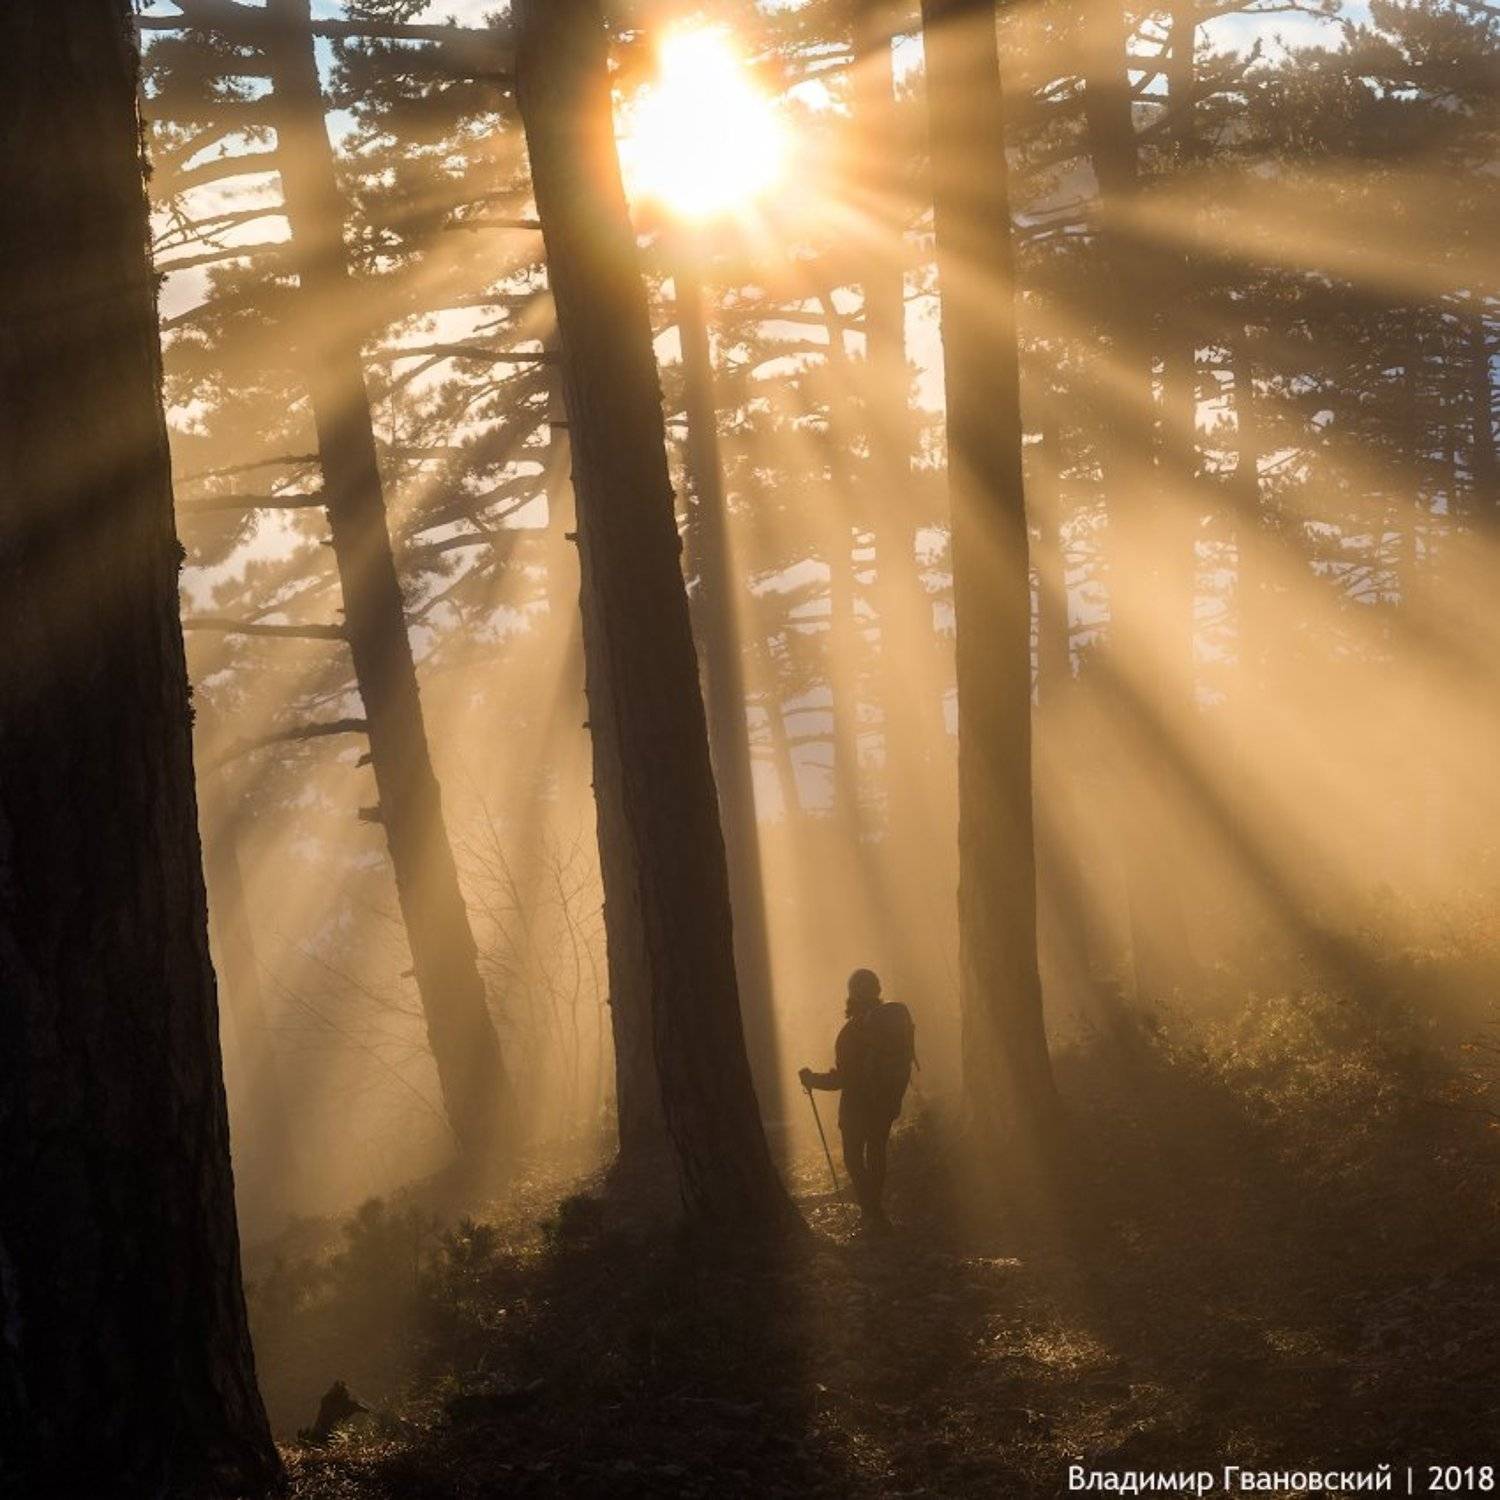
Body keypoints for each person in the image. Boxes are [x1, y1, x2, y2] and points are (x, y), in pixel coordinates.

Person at [799, 968, 915, 1230]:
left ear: (851, 994)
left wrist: (812, 1079)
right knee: (876, 1153)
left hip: (856, 1107)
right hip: (885, 1103)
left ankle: (872, 1214)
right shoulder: (890, 1025)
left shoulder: (852, 1032)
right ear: (878, 990)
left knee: (853, 1158)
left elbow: (844, 1079)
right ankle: (876, 1213)